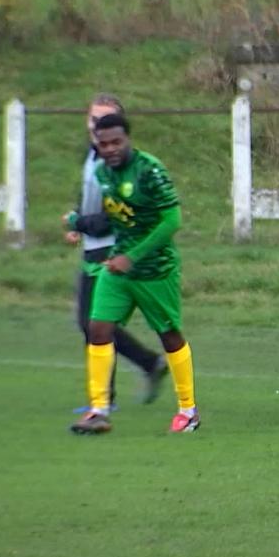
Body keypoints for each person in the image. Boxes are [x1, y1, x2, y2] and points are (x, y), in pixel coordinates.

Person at [69, 113, 199, 435]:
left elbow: (171, 222)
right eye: (103, 144)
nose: (110, 149)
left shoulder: (150, 170)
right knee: (97, 327)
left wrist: (134, 256)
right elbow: (118, 219)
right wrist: (78, 223)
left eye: (116, 142)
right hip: (118, 268)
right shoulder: (102, 174)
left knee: (169, 336)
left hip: (156, 270)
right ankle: (98, 409)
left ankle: (188, 410)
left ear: (128, 139)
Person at [62, 94, 167, 413]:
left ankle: (110, 394)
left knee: (94, 324)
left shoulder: (123, 165)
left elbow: (116, 213)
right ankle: (140, 370)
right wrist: (77, 221)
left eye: (105, 120)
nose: (98, 126)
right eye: (93, 120)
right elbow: (88, 193)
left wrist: (81, 222)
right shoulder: (92, 155)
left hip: (113, 249)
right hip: (93, 247)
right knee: (94, 324)